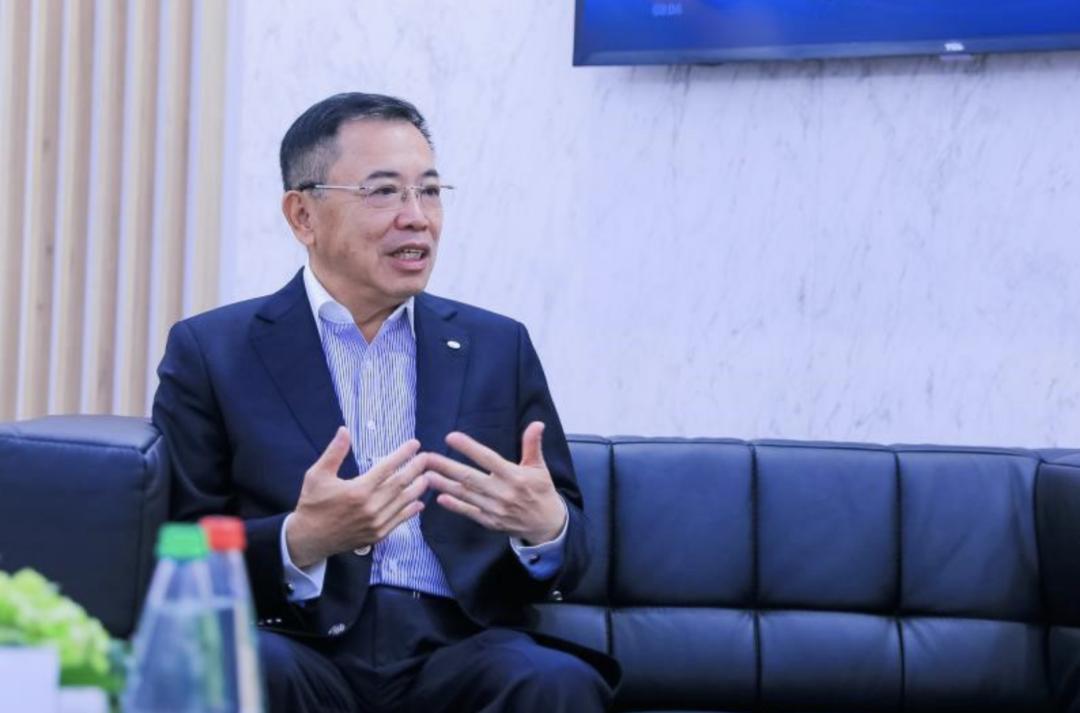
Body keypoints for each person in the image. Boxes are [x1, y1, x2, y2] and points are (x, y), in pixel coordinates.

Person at [152, 92, 616, 713]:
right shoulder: (213, 351)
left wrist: (545, 526)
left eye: (430, 191)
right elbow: (179, 543)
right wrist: (299, 540)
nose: (417, 217)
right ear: (302, 216)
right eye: (384, 192)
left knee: (552, 681)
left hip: (461, 646)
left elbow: (572, 548)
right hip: (296, 641)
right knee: (237, 670)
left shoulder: (497, 346)